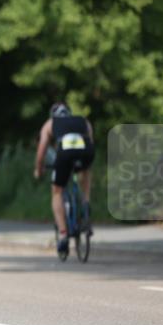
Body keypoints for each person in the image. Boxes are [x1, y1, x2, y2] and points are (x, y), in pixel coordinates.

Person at [34, 103, 95, 256]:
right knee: (86, 171)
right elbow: (91, 142)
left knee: (57, 191)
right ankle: (86, 203)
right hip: (85, 151)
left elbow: (41, 150)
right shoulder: (83, 120)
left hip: (65, 153)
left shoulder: (50, 124)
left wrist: (39, 169)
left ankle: (62, 235)